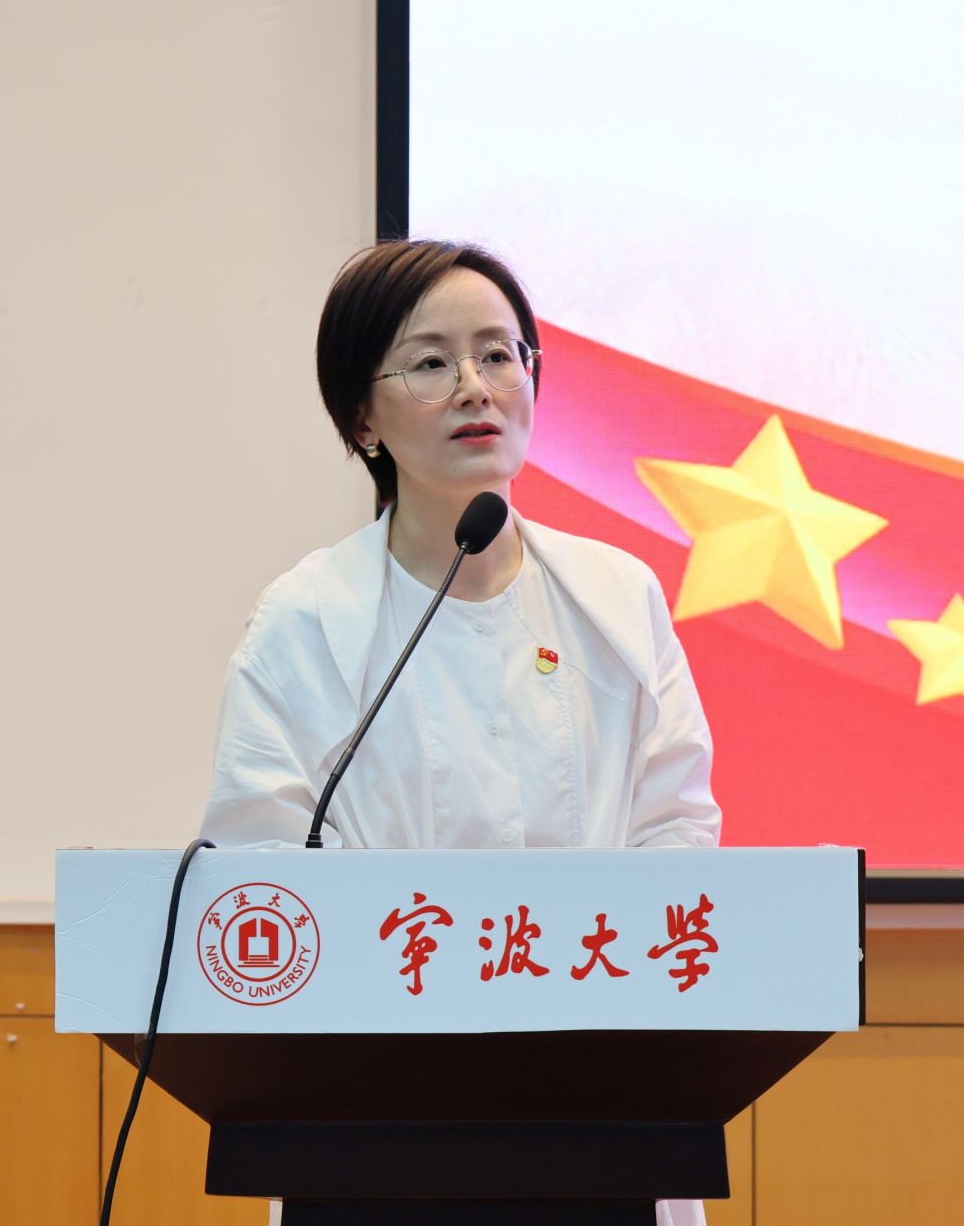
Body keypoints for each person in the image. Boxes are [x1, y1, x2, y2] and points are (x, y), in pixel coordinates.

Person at [202, 239, 720, 1226]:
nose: (476, 386)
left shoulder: (617, 597)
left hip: (598, 1107)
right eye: (432, 362)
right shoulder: (306, 621)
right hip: (371, 1119)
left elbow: (676, 828)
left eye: (498, 353)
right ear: (361, 416)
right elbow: (260, 864)